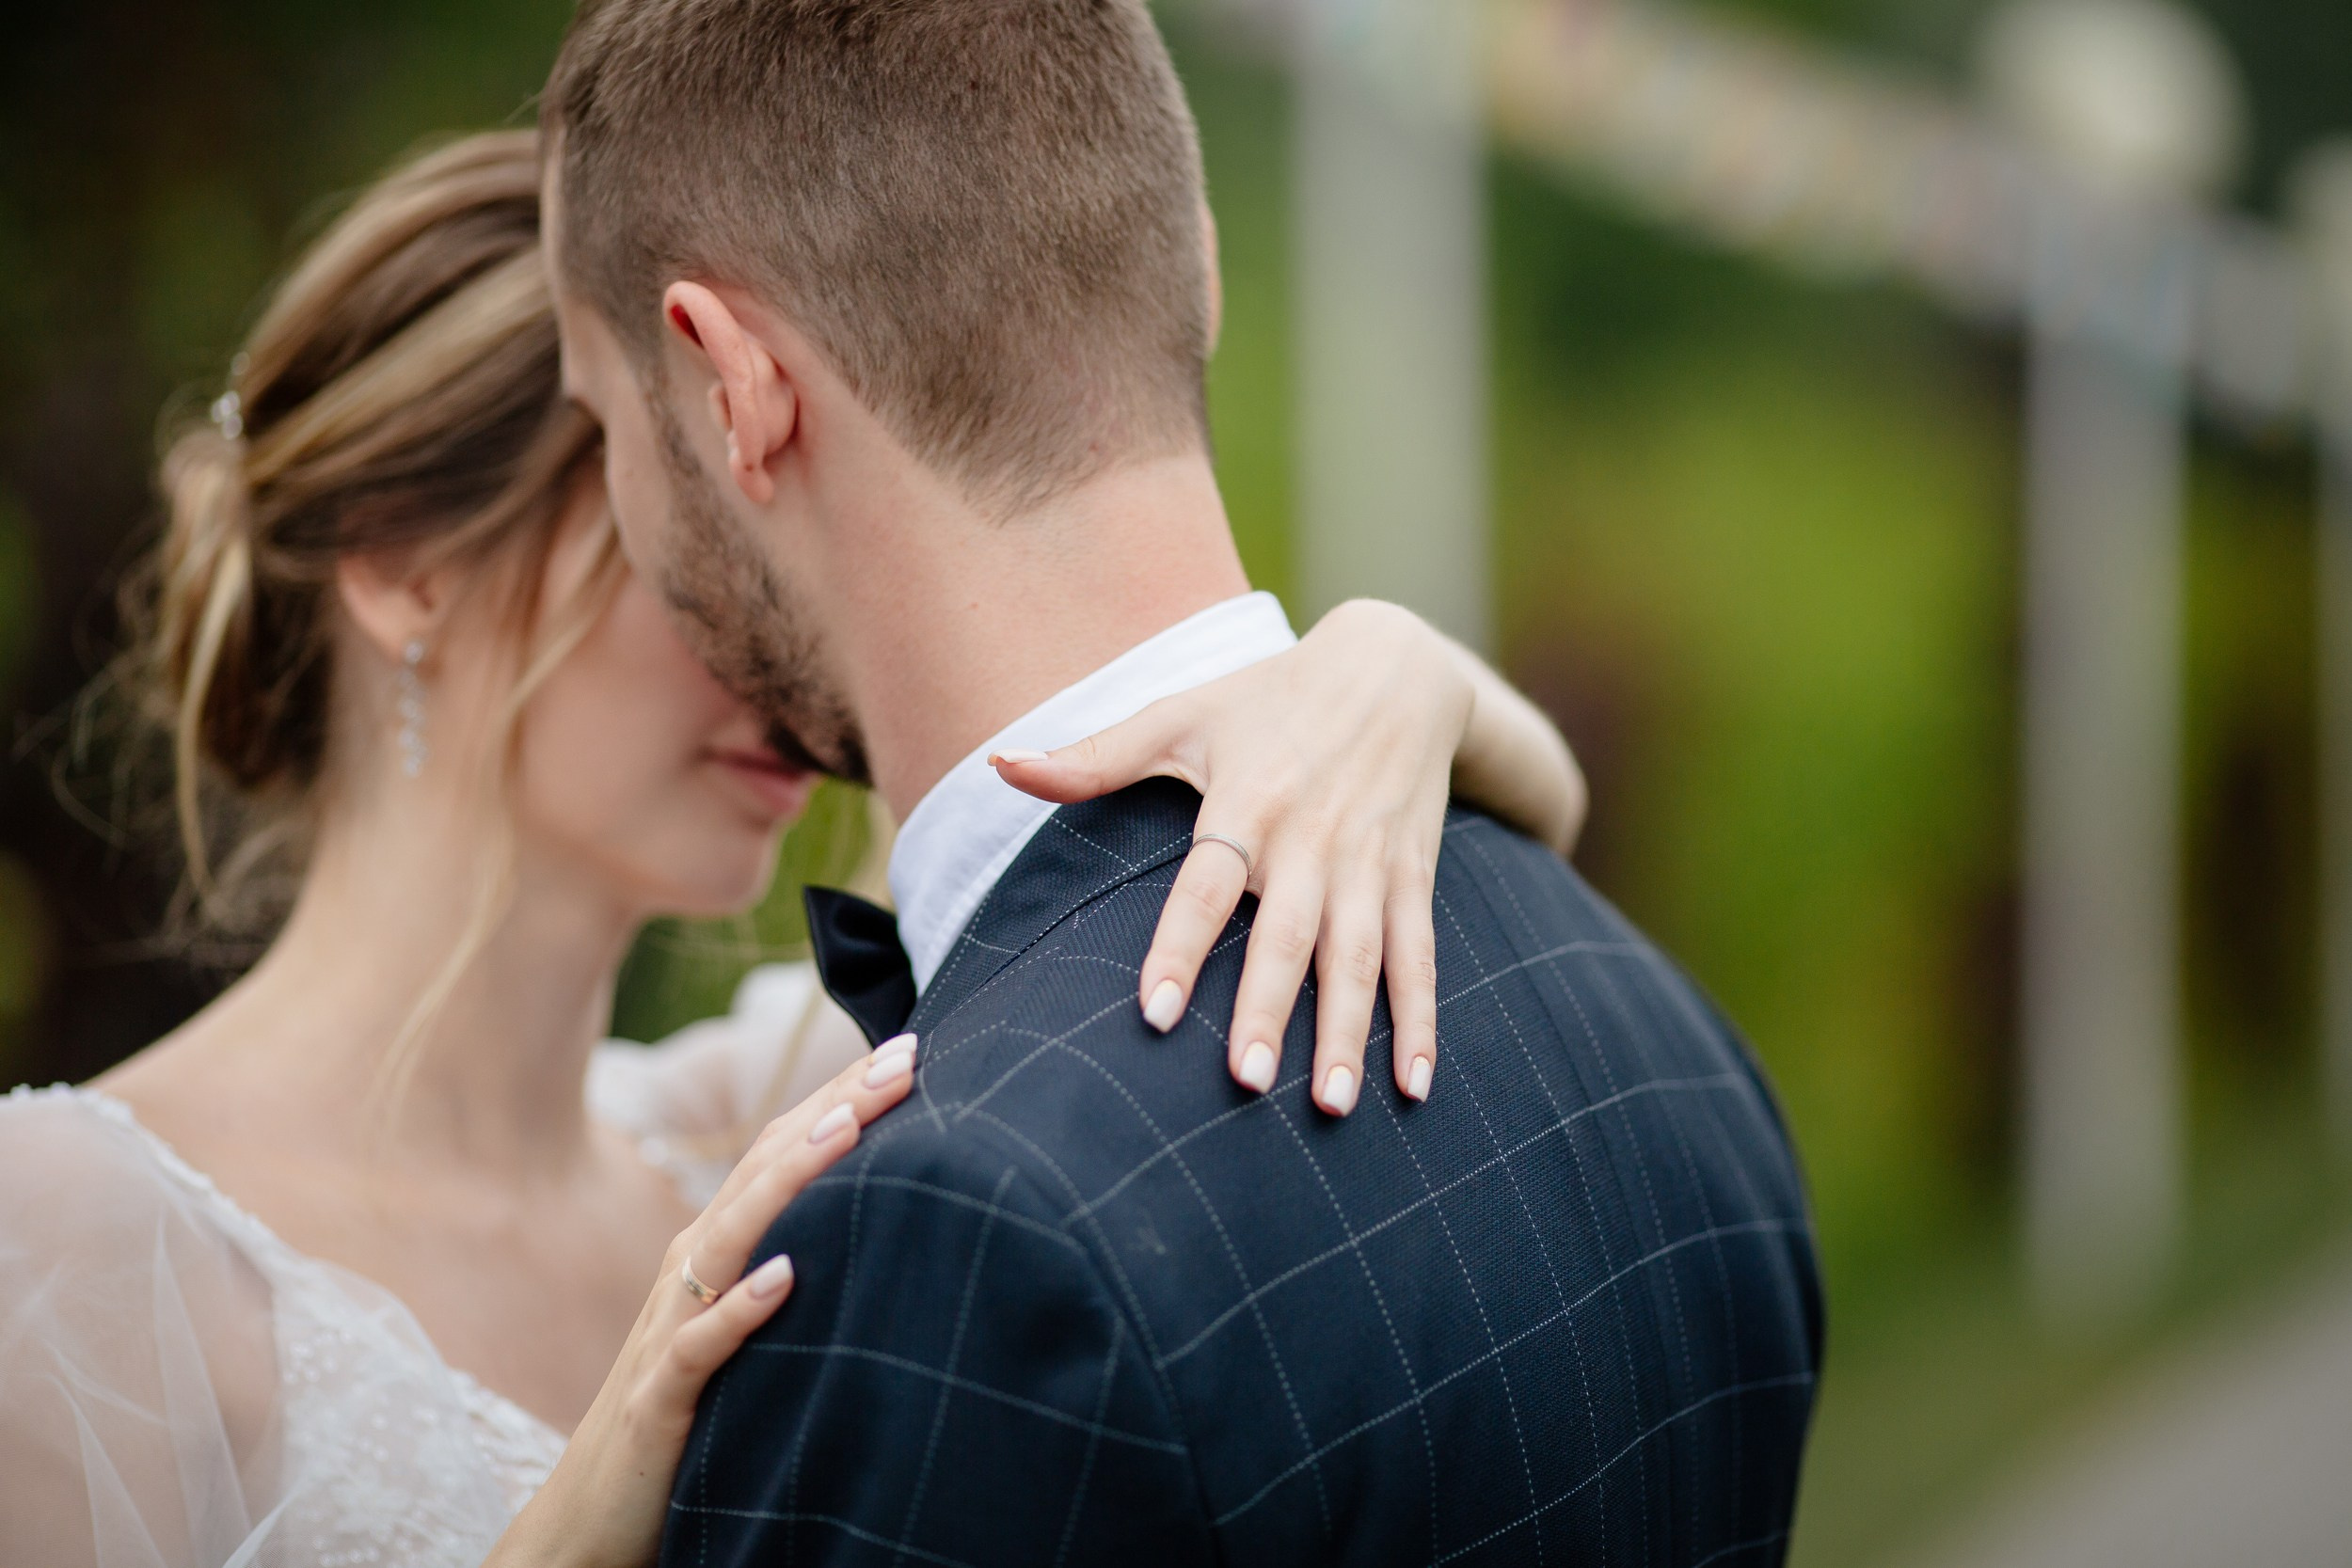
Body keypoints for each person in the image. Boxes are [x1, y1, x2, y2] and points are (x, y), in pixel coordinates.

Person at [0, 132, 1593, 1568]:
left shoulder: (773, 1110)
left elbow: (1554, 813)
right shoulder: (59, 1229)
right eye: (676, 536)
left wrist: (1384, 673)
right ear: (407, 565)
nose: (777, 646)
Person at [536, 3, 1825, 1565]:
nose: (619, 497)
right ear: (1202, 272)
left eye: (601, 417)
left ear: (734, 385)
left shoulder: (967, 1241)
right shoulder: (1662, 1034)